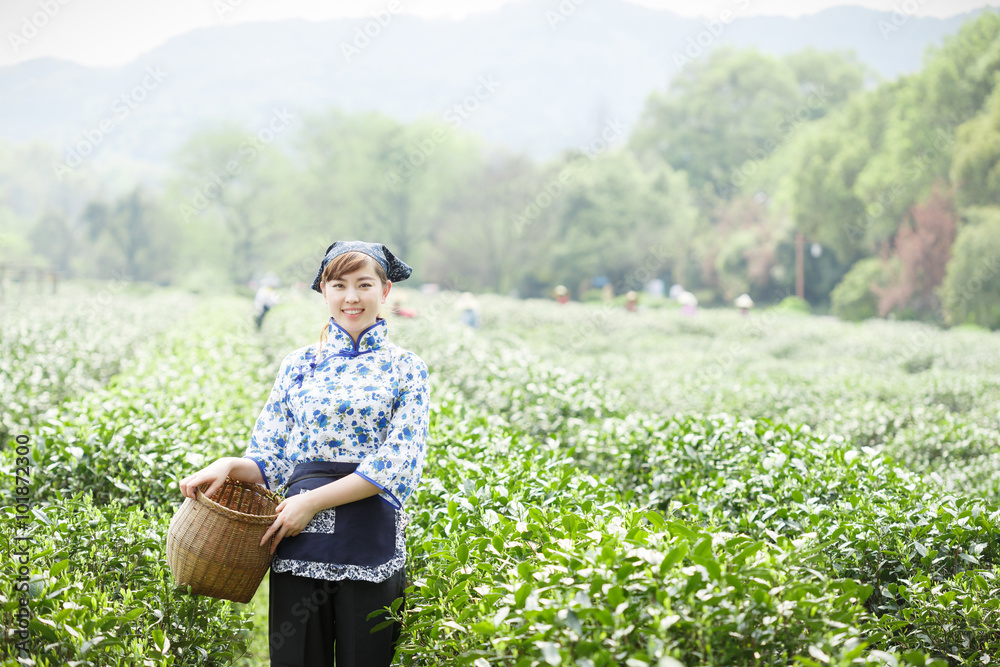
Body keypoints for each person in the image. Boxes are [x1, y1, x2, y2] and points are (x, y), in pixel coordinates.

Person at [178, 240, 430, 667]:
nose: (352, 297)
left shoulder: (407, 368)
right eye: (339, 285)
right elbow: (269, 458)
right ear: (323, 290)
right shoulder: (298, 365)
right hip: (298, 539)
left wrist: (310, 503)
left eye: (364, 285)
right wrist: (226, 465)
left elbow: (396, 464)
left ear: (385, 291)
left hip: (367, 534)